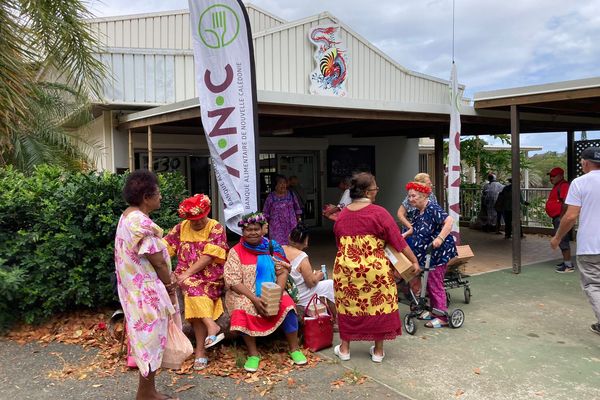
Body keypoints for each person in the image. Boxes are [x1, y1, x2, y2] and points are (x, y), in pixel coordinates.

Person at [332, 172, 420, 363]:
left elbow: (340, 243)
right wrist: (414, 261)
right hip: (375, 272)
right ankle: (378, 352)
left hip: (346, 271)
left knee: (348, 307)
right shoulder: (379, 213)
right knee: (378, 306)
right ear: (367, 191)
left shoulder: (343, 215)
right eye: (375, 188)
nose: (376, 191)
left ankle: (345, 349)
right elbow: (398, 242)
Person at [114, 170, 178, 400]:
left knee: (145, 341)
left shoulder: (128, 216)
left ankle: (148, 391)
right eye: (158, 193)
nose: (161, 197)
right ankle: (145, 394)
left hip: (134, 289)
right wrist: (170, 285)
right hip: (146, 292)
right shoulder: (141, 223)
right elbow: (158, 262)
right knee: (149, 342)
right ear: (146, 197)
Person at [223, 212, 307, 371]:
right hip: (245, 293)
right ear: (243, 232)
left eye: (256, 229)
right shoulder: (236, 251)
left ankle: (294, 349)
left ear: (263, 230)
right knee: (242, 307)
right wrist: (254, 299)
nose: (252, 232)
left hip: (271, 291)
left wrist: (277, 293)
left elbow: (282, 271)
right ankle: (253, 354)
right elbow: (233, 280)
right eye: (248, 230)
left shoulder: (271, 247)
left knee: (287, 305)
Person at [164, 194, 229, 371]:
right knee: (192, 293)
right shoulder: (180, 228)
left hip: (210, 276)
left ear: (206, 212)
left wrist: (186, 274)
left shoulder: (215, 227)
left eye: (200, 219)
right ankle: (208, 333)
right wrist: (166, 270)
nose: (197, 222)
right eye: (193, 220)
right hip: (186, 277)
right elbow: (164, 249)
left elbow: (209, 256)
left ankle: (201, 348)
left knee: (191, 287)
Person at [551, 147, 600, 335]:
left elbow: (571, 216)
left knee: (594, 285)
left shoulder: (580, 183)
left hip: (591, 246)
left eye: (581, 161)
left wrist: (557, 237)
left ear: (586, 163)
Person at [405, 181, 457, 328]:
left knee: (435, 283)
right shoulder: (417, 212)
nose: (410, 199)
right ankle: (432, 310)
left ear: (423, 196)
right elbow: (415, 229)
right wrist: (403, 235)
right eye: (409, 196)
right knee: (427, 282)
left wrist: (439, 238)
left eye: (413, 196)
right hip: (426, 255)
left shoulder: (432, 208)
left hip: (438, 253)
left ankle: (442, 317)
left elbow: (449, 221)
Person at [282, 224, 336, 323]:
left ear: (289, 237)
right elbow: (311, 283)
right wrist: (318, 276)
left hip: (286, 290)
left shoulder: (281, 249)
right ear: (305, 241)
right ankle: (335, 318)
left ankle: (326, 313)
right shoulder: (302, 257)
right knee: (329, 284)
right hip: (300, 295)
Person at [545, 167, 574, 273]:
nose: (551, 178)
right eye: (550, 176)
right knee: (562, 240)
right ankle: (566, 261)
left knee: (563, 240)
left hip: (560, 218)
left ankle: (568, 265)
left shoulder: (564, 185)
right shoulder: (558, 186)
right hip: (557, 217)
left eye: (553, 176)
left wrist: (562, 217)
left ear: (560, 176)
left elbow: (566, 202)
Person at [263, 175, 302, 245]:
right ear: (275, 185)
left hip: (291, 226)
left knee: (292, 245)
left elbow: (297, 208)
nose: (283, 185)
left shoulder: (291, 194)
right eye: (280, 183)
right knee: (277, 247)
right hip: (276, 228)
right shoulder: (271, 197)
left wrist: (299, 219)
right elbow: (265, 212)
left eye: (284, 182)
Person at [397, 172, 438, 239]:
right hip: (413, 232)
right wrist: (410, 226)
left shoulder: (432, 196)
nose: (431, 185)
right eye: (428, 183)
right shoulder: (411, 197)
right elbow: (400, 213)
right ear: (421, 184)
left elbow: (436, 214)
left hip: (428, 231)